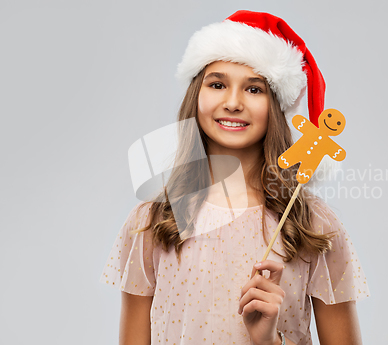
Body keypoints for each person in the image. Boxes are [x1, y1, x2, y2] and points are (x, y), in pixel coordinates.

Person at [100, 10, 370, 345]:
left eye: (254, 89)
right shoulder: (152, 222)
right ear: (196, 96)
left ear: (275, 106)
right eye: (217, 84)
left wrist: (269, 341)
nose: (232, 102)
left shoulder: (313, 225)